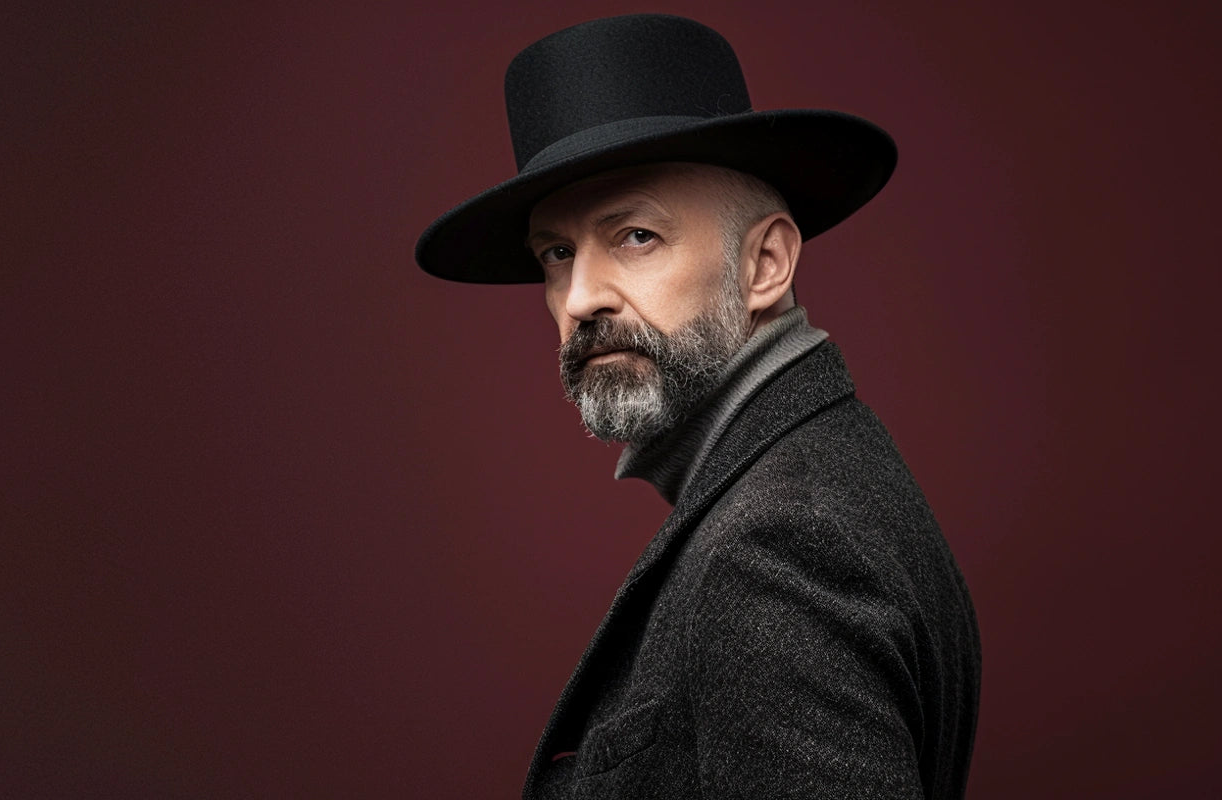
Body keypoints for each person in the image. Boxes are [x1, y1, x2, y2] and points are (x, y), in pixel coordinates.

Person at [414, 13, 980, 800]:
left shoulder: (778, 549)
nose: (579, 298)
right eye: (556, 252)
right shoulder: (823, 473)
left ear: (766, 264)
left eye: (637, 235)